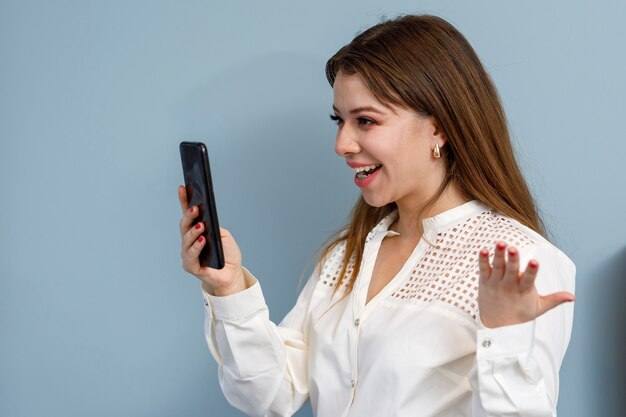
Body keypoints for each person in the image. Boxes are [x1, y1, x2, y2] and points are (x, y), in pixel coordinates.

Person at [177, 14, 575, 417]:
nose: (342, 144)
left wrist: (504, 335)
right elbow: (268, 395)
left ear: (439, 129)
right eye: (339, 120)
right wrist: (228, 289)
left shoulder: (518, 263)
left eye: (365, 120)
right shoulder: (344, 257)